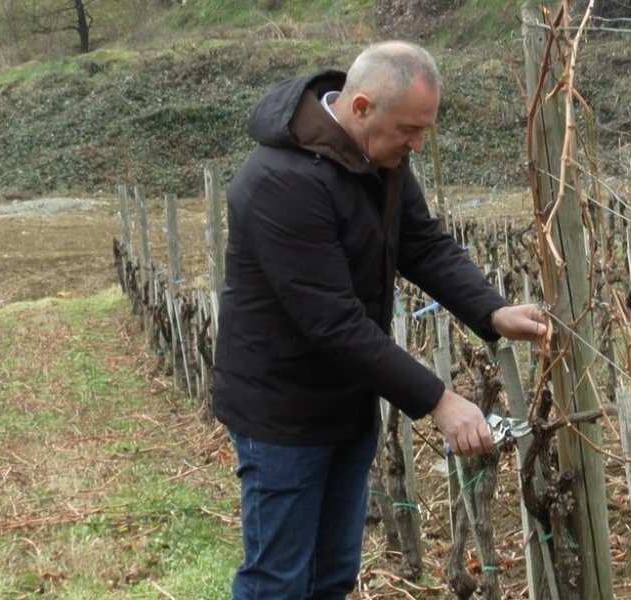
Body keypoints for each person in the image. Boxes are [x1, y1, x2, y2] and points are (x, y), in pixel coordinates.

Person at [212, 40, 551, 600]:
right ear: (362, 107)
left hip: (346, 402)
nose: (417, 144)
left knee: (332, 576)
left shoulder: (378, 156)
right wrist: (440, 402)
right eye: (409, 130)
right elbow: (334, 324)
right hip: (281, 410)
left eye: (424, 130)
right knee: (278, 581)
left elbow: (423, 244)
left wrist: (490, 311)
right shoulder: (280, 182)